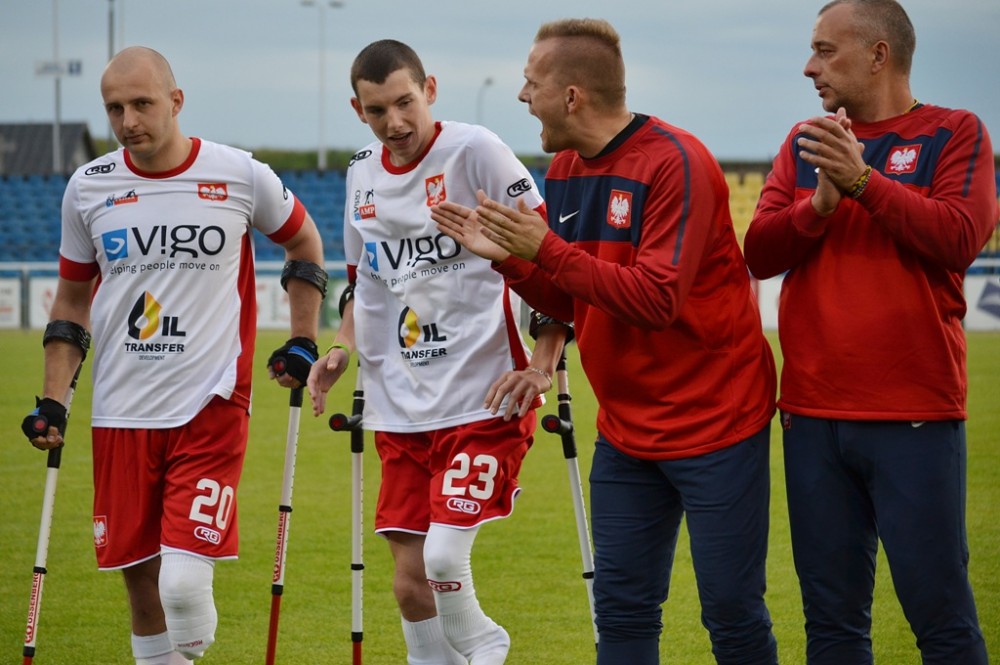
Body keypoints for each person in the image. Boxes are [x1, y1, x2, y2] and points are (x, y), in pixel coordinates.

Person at [431, 18, 779, 665]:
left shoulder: (676, 162)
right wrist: (508, 259)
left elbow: (655, 300)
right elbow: (573, 298)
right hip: (625, 432)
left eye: (531, 83)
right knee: (620, 607)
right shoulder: (565, 168)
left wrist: (544, 249)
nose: (521, 96)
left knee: (731, 612)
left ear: (572, 96)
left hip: (717, 424)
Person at [20, 46, 326, 665]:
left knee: (182, 587)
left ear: (176, 100)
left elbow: (304, 242)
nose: (128, 121)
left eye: (142, 103)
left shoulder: (239, 174)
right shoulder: (88, 187)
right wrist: (54, 399)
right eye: (114, 108)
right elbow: (72, 301)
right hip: (120, 411)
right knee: (142, 588)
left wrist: (302, 338)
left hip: (210, 402)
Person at [742, 1, 996, 663]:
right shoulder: (805, 141)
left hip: (913, 412)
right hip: (811, 416)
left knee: (941, 618)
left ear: (879, 54)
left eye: (826, 50)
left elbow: (959, 238)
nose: (810, 66)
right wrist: (818, 206)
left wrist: (861, 181)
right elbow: (758, 253)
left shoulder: (955, 132)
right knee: (831, 624)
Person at [306, 39, 567, 665]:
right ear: (358, 110)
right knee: (409, 584)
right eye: (377, 110)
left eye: (405, 103)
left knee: (444, 558)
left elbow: (553, 259)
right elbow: (365, 282)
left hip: (484, 394)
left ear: (429, 90)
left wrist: (543, 362)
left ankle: (485, 642)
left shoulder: (476, 151)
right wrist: (341, 348)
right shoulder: (360, 173)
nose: (394, 122)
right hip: (400, 405)